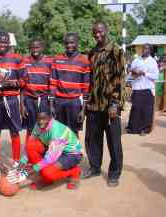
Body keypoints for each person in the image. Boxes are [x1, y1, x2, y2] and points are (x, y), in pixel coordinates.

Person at [83, 21, 125, 187]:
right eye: (95, 32)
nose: (97, 35)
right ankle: (94, 167)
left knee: (114, 141)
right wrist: (86, 103)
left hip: (110, 106)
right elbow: (89, 80)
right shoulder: (92, 52)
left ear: (106, 30)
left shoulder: (115, 50)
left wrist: (115, 103)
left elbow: (121, 77)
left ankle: (114, 173)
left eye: (100, 31)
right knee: (92, 139)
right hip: (94, 105)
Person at [7, 108, 82, 190]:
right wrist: (21, 164)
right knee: (30, 145)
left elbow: (50, 158)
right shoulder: (38, 125)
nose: (41, 122)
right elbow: (30, 144)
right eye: (39, 119)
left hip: (71, 154)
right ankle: (44, 177)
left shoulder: (56, 131)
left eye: (44, 119)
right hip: (52, 149)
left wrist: (26, 172)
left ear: (50, 118)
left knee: (48, 173)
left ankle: (74, 171)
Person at [0, 31, 25, 163]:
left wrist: (9, 83)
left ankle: (16, 161)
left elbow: (24, 81)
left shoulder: (17, 58)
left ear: (9, 43)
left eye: (5, 42)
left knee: (14, 132)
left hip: (12, 100)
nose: (2, 44)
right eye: (0, 42)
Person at [50, 33, 90, 137]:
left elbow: (86, 87)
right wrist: (51, 105)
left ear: (77, 43)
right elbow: (53, 83)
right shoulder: (57, 59)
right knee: (59, 133)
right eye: (67, 43)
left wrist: (83, 109)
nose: (69, 45)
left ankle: (73, 153)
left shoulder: (84, 61)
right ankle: (61, 153)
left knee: (73, 133)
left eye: (72, 42)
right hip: (59, 102)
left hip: (75, 103)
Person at [21, 39, 52, 144]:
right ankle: (29, 153)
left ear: (42, 48)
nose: (35, 50)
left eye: (37, 47)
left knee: (44, 127)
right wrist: (22, 105)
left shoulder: (49, 62)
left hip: (44, 100)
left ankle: (43, 153)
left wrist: (51, 104)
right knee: (30, 128)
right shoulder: (25, 61)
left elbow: (52, 83)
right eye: (32, 48)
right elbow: (22, 85)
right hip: (29, 99)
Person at [126, 44, 159, 135]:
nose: (144, 50)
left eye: (147, 48)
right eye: (143, 48)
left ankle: (145, 129)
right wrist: (132, 74)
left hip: (147, 88)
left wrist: (144, 73)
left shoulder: (153, 62)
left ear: (150, 50)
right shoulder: (136, 60)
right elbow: (130, 73)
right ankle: (133, 128)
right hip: (137, 87)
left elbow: (155, 76)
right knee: (135, 108)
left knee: (146, 110)